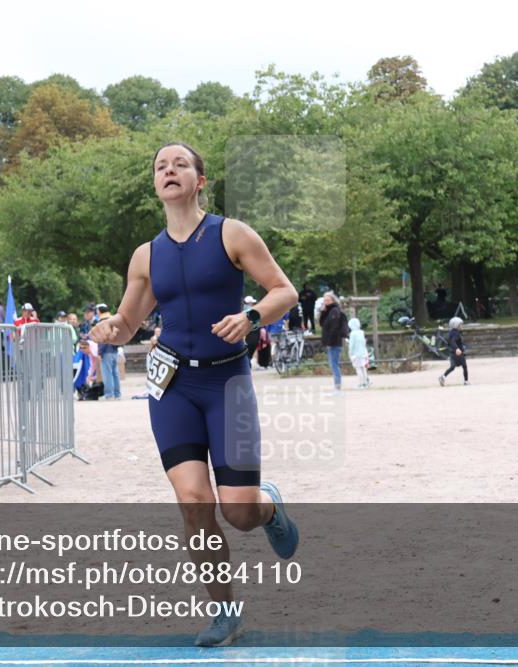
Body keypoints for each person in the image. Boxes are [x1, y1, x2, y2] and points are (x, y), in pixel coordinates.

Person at [88, 141, 300, 647]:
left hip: (227, 384)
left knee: (239, 513)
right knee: (194, 502)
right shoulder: (146, 256)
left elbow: (284, 292)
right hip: (173, 388)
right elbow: (128, 323)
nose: (169, 170)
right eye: (161, 166)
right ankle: (225, 610)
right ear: (156, 184)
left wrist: (251, 317)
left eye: (180, 164)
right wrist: (107, 329)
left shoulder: (232, 234)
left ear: (199, 180)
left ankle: (267, 506)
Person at [319, 291, 349, 394]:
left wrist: (330, 341)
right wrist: (323, 311)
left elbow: (334, 327)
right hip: (331, 342)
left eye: (328, 300)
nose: (326, 302)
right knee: (333, 364)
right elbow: (322, 324)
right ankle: (336, 387)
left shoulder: (335, 311)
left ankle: (337, 387)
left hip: (334, 342)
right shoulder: (328, 311)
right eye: (325, 300)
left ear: (333, 300)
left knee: (334, 365)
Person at [95, 304, 121, 400]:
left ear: (100, 311)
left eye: (97, 310)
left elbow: (103, 339)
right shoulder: (113, 320)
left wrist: (100, 352)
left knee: (107, 373)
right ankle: (117, 394)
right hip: (114, 350)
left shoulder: (102, 322)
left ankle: (109, 394)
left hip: (106, 351)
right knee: (115, 373)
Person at [438, 317, 469, 386]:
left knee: (452, 367)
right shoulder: (456, 333)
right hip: (458, 353)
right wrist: (457, 349)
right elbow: (452, 341)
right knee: (464, 366)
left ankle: (443, 376)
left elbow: (450, 341)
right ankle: (466, 381)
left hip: (452, 353)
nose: (461, 326)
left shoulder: (451, 332)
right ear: (455, 325)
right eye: (460, 325)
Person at [348, 317, 371, 388]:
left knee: (358, 369)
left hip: (356, 354)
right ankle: (366, 382)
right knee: (363, 368)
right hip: (363, 353)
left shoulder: (352, 334)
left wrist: (350, 353)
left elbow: (351, 345)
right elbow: (363, 342)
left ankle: (361, 383)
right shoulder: (361, 332)